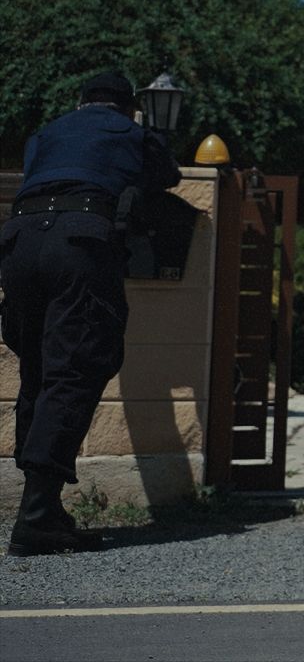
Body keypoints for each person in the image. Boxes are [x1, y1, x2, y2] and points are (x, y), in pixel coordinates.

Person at [1, 72, 181, 556]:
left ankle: (43, 504)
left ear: (81, 103)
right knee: (74, 370)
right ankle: (36, 516)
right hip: (80, 240)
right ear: (127, 107)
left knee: (38, 370)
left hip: (19, 242)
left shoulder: (48, 132)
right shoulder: (132, 131)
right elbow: (167, 176)